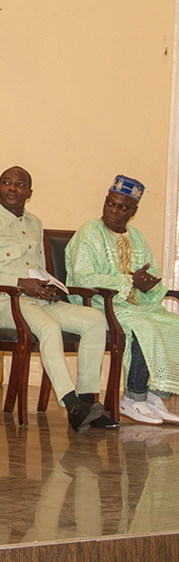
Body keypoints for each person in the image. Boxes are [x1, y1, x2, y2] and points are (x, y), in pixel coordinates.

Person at [0, 166, 117, 432]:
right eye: (6, 183)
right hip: (2, 304)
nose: (12, 188)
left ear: (29, 193)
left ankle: (87, 401)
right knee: (48, 328)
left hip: (37, 302)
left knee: (94, 319)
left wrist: (48, 285)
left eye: (19, 184)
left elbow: (36, 267)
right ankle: (72, 406)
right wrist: (20, 284)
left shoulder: (35, 223)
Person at [65, 175, 179, 425]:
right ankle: (132, 398)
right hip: (97, 304)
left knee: (174, 325)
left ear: (133, 211)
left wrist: (149, 285)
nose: (114, 211)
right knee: (143, 327)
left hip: (132, 304)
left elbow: (152, 274)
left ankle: (154, 394)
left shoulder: (136, 236)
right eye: (111, 203)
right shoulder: (89, 231)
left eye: (123, 207)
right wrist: (128, 281)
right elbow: (83, 278)